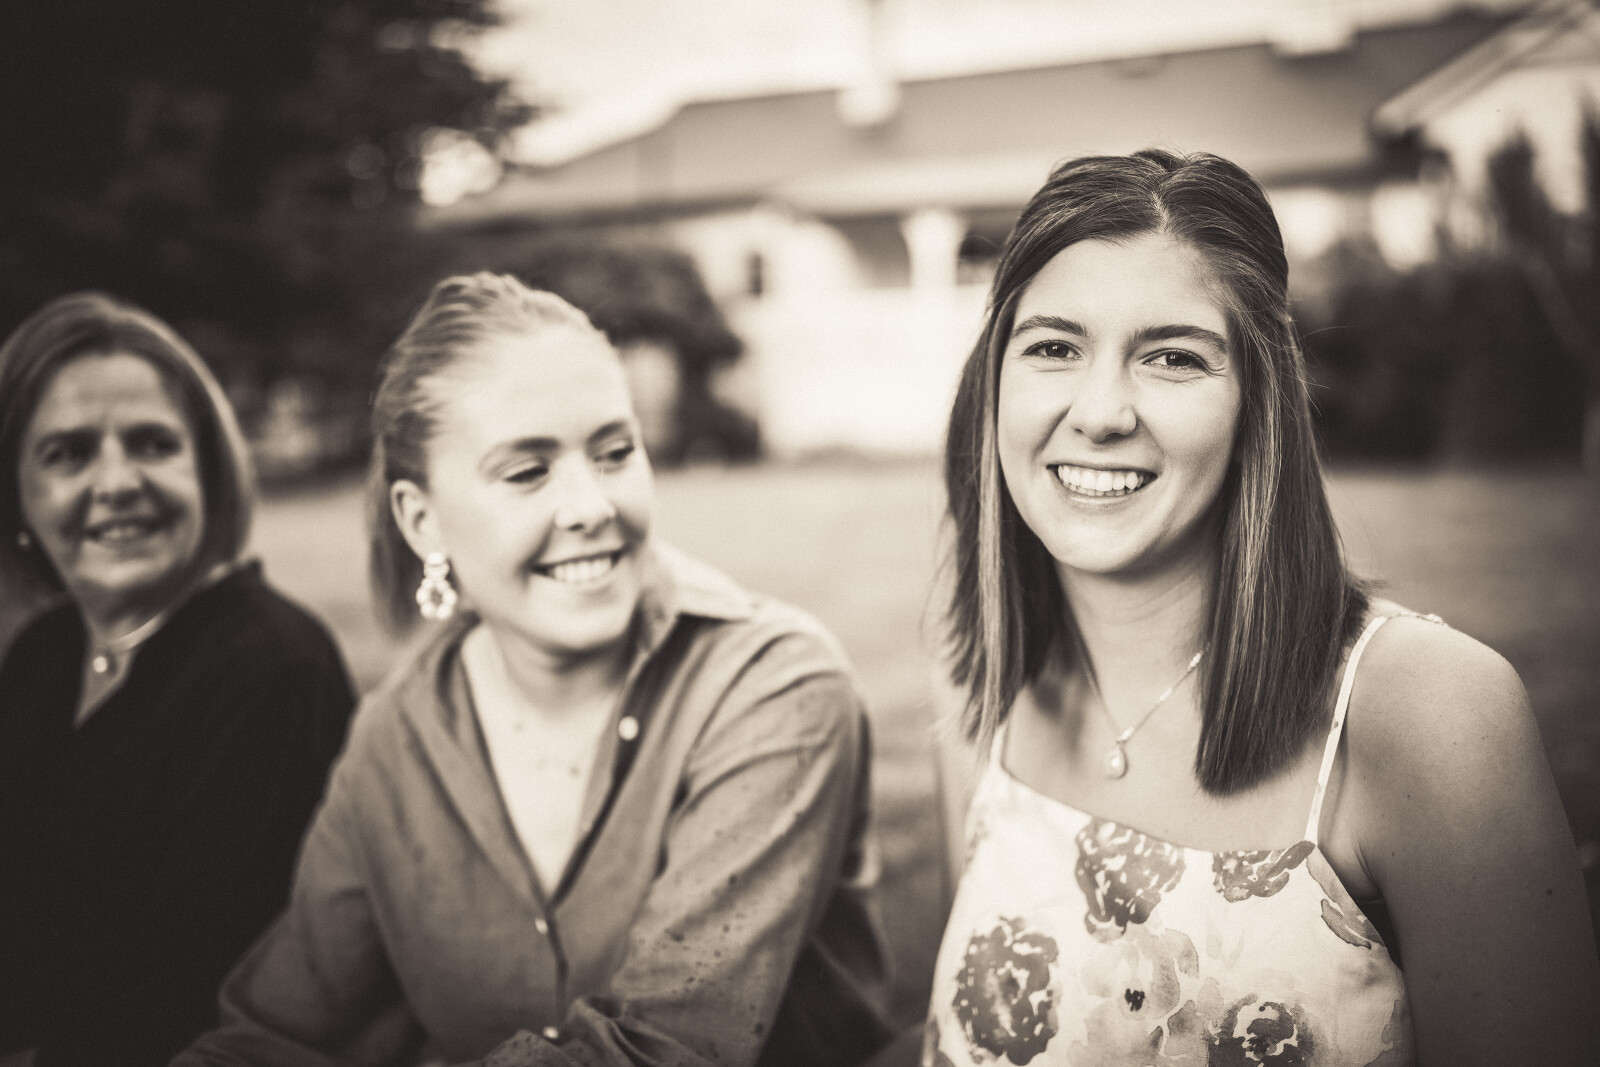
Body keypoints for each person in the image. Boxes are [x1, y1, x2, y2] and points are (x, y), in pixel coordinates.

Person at [920, 151, 1600, 1066]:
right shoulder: (979, 695)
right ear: (993, 382)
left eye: (1172, 357)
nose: (1101, 411)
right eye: (1053, 347)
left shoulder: (1431, 714)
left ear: (1258, 400)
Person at [176, 273, 893, 1066]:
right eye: (527, 472)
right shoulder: (397, 737)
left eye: (615, 453)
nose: (591, 505)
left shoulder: (774, 687)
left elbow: (660, 1051)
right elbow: (277, 1030)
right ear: (422, 520)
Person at [0, 293, 357, 1066]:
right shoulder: (41, 656)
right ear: (18, 496)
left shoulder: (271, 670)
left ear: (209, 471)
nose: (117, 481)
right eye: (67, 453)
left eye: (153, 443)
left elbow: (178, 997)